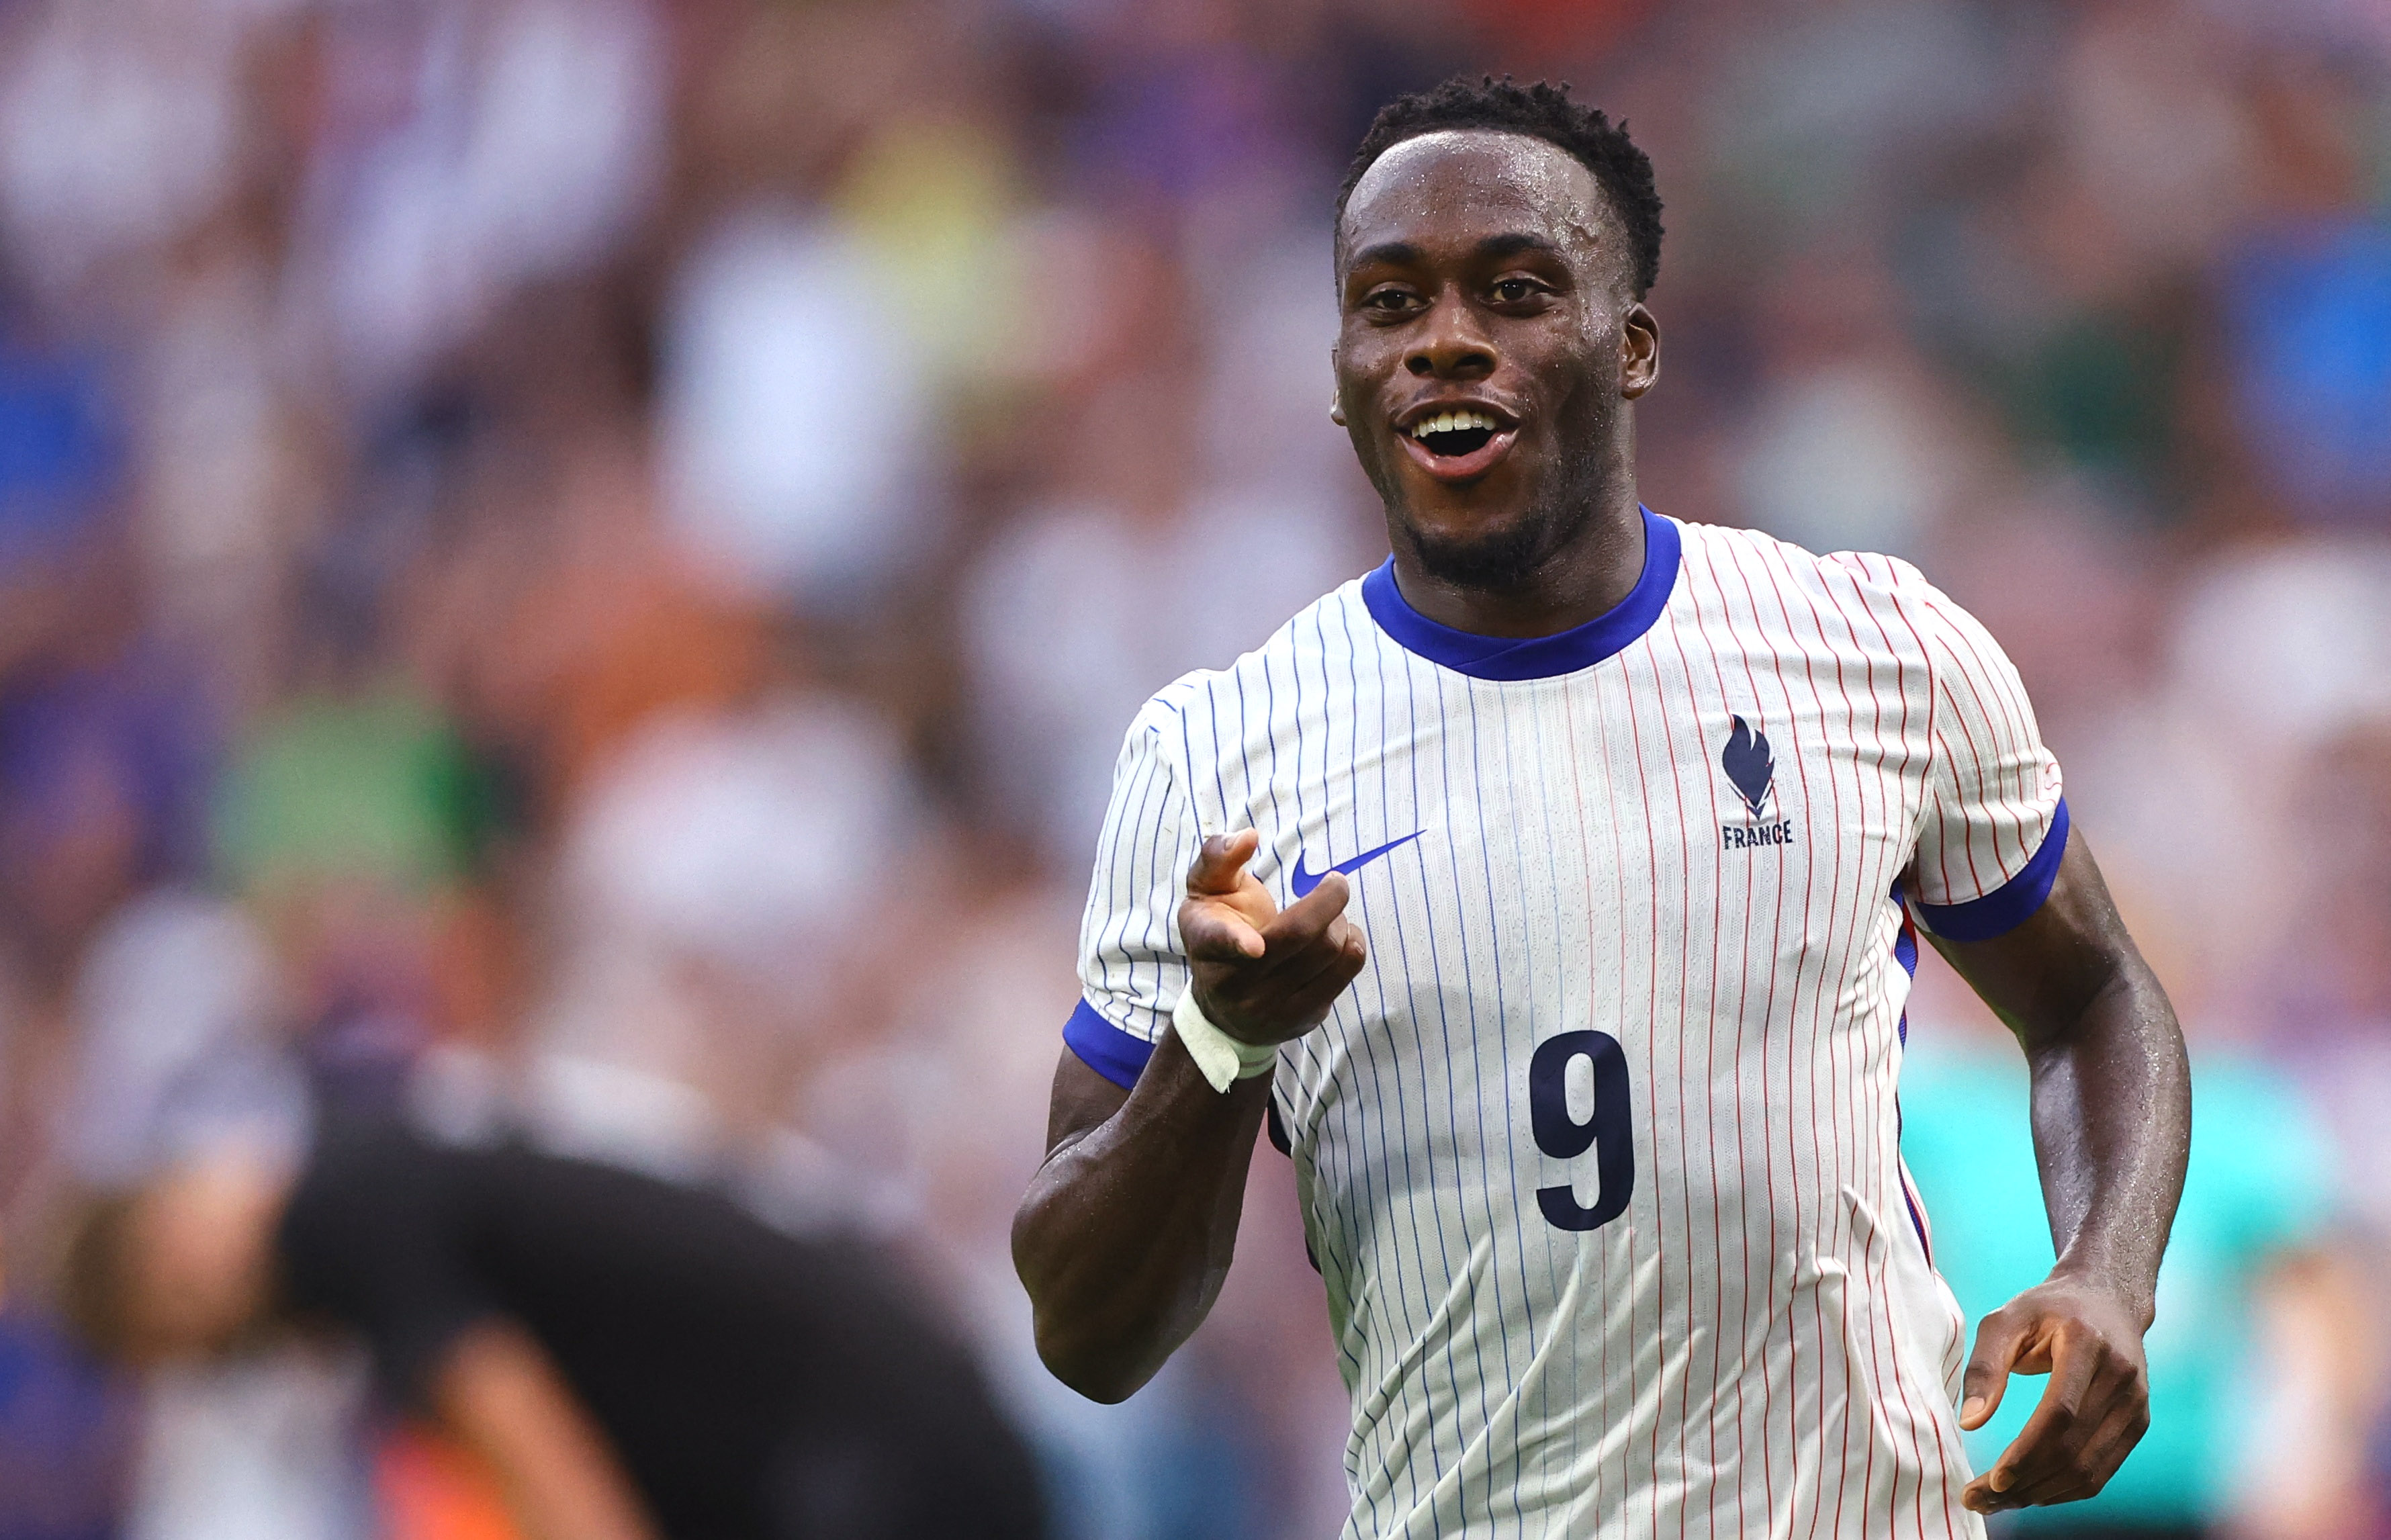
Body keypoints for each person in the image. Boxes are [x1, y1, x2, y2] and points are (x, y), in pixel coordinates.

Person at [1011, 76, 2191, 1539]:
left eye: (1514, 291)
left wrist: (2108, 1271)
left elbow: (2090, 993)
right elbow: (1087, 1333)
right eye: (1389, 303)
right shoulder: (1216, 759)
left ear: (1632, 345)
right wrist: (1222, 1036)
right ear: (1340, 372)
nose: (1444, 339)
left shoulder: (1874, 647)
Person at [59, 1123, 1048, 1540]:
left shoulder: (332, 1214)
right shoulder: (375, 1182)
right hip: (883, 1423)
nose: (198, 1283)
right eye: (172, 1309)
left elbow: (537, 1449)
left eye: (169, 1253)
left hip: (862, 1458)